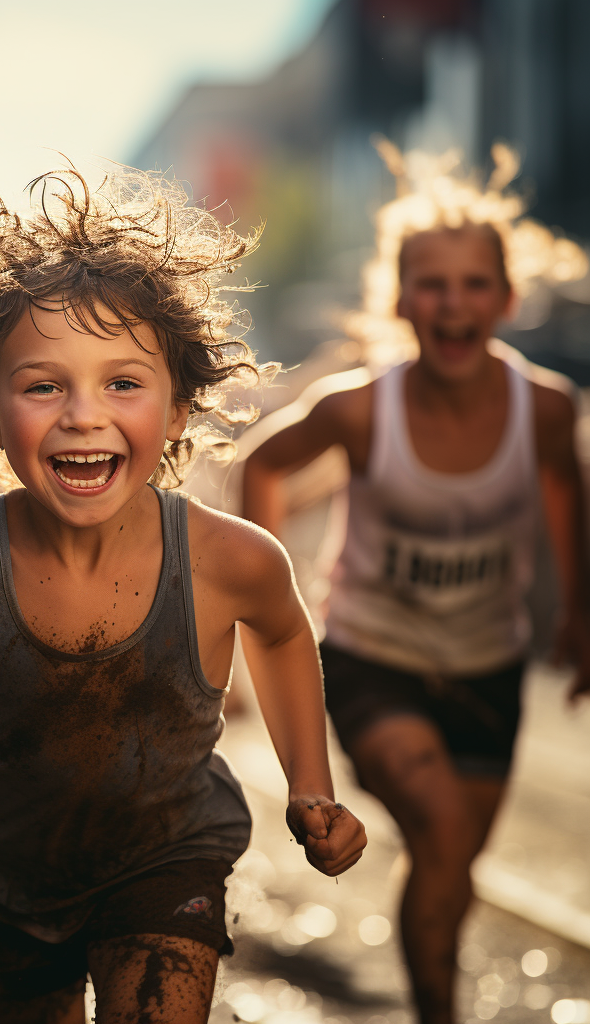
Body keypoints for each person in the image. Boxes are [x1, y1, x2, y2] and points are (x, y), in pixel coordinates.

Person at [0, 165, 367, 1024]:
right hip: (3, 881)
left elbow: (285, 636)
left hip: (169, 861)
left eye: (123, 383)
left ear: (177, 407)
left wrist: (311, 789)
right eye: (42, 385)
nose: (82, 415)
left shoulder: (230, 559)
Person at [241, 143, 590, 1024]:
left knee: (451, 865)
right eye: (432, 284)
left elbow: (562, 485)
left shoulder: (545, 409)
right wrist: (265, 601)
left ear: (506, 299)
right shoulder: (360, 407)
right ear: (401, 300)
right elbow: (261, 465)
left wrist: (581, 613)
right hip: (371, 656)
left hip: (489, 668)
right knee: (439, 833)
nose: (454, 303)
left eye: (475, 284)